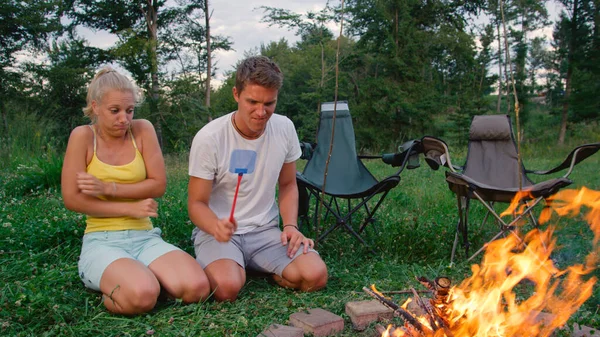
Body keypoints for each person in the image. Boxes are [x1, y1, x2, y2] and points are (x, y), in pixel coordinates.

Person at [61, 66, 210, 314]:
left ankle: (139, 276)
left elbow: (158, 184)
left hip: (145, 237)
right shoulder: (82, 137)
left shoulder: (142, 130)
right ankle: (127, 281)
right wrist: (130, 206)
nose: (124, 119)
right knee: (142, 297)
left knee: (198, 288)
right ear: (96, 107)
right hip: (102, 240)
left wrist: (107, 187)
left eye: (129, 110)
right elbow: (72, 199)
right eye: (115, 111)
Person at [188, 56, 328, 302]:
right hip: (218, 232)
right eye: (252, 102)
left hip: (265, 231)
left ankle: (257, 265)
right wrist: (214, 226)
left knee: (315, 276)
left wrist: (291, 226)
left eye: (269, 103)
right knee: (226, 288)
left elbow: (287, 184)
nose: (261, 112)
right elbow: (196, 204)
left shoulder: (284, 128)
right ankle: (238, 266)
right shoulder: (210, 138)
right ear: (236, 94)